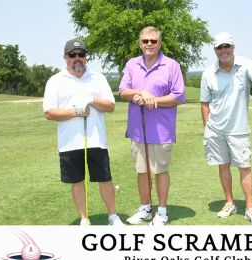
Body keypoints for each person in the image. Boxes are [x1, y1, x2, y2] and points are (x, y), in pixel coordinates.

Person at [43, 38, 123, 226]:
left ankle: (112, 216)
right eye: (73, 55)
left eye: (81, 54)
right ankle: (84, 219)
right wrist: (76, 112)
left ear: (86, 57)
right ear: (65, 57)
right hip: (69, 142)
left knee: (105, 179)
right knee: (77, 181)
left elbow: (110, 106)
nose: (77, 58)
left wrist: (92, 100)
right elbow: (49, 112)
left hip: (97, 140)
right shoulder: (55, 81)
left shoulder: (98, 78)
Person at [200, 32, 252, 225]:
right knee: (223, 165)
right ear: (215, 50)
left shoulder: (246, 65)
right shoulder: (208, 73)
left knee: (244, 167)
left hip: (239, 129)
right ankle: (229, 202)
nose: (223, 50)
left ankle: (250, 207)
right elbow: (204, 102)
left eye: (227, 46)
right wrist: (207, 126)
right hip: (215, 129)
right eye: (219, 47)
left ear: (233, 47)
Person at [119, 26, 186, 226]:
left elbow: (178, 96)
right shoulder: (132, 64)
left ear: (159, 43)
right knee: (142, 171)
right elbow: (123, 91)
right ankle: (145, 209)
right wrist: (140, 92)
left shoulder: (171, 65)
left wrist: (153, 100)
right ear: (140, 43)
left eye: (153, 41)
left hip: (161, 130)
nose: (149, 44)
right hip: (137, 129)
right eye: (146, 41)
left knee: (160, 171)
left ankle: (162, 211)